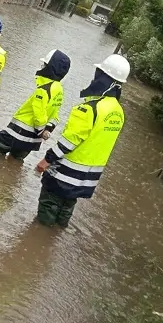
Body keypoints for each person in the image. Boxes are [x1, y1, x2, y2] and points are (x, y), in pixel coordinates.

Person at [34, 54, 130, 227]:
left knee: (47, 213)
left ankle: (39, 237)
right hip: (87, 179)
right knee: (66, 209)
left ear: (101, 76)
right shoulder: (118, 112)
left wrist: (46, 160)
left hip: (64, 173)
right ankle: (51, 241)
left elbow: (69, 142)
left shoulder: (88, 108)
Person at [0, 49, 71, 160]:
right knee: (15, 162)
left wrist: (40, 130)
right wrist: (47, 130)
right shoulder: (59, 89)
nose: (42, 67)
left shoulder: (43, 89)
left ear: (50, 68)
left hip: (18, 132)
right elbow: (55, 114)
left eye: (44, 65)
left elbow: (39, 112)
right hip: (33, 140)